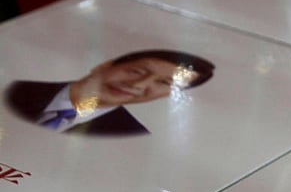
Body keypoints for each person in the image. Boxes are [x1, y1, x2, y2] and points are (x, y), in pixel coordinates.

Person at [4, 49, 215, 136]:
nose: (139, 85)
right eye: (137, 71)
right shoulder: (16, 90)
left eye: (164, 83)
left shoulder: (130, 134)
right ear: (104, 65)